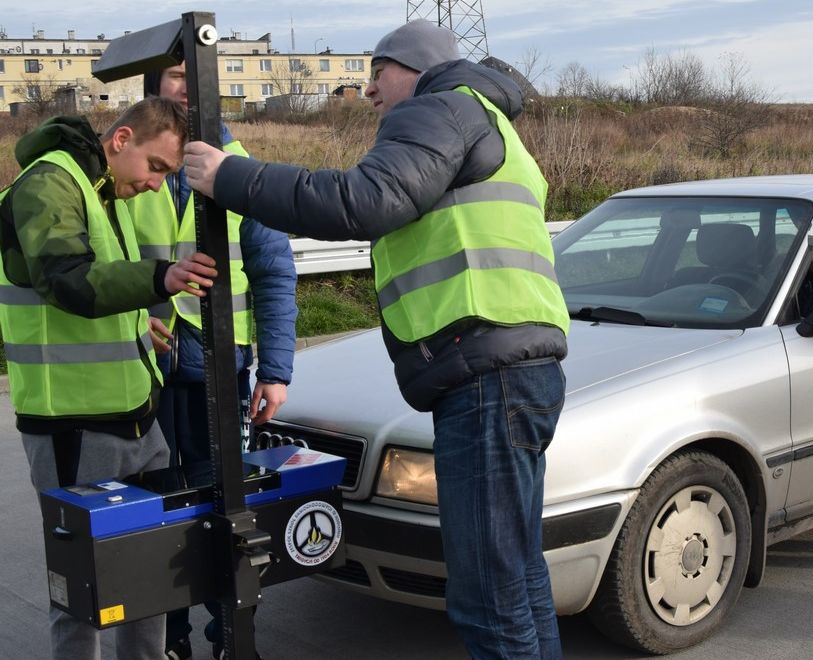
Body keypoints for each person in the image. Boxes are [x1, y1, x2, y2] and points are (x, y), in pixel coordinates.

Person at [183, 20, 569, 659]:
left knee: (486, 599)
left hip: (487, 378)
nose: (367, 92)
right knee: (518, 579)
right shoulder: (491, 122)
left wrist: (231, 178)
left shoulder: (440, 108)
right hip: (513, 370)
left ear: (413, 70)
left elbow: (364, 199)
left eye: (377, 73)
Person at [0, 98, 218, 660]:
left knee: (147, 575)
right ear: (121, 140)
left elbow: (100, 284)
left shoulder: (101, 187)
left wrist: (135, 321)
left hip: (135, 419)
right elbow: (66, 282)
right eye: (157, 168)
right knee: (83, 590)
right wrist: (161, 279)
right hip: (74, 423)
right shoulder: (49, 183)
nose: (155, 185)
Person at [127, 59, 298, 660]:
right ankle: (166, 641)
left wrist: (275, 369)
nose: (187, 84)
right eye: (174, 73)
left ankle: (227, 636)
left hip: (218, 364)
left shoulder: (240, 167)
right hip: (143, 365)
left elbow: (274, 269)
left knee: (221, 508)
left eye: (194, 71)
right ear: (153, 86)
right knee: (152, 509)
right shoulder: (124, 158)